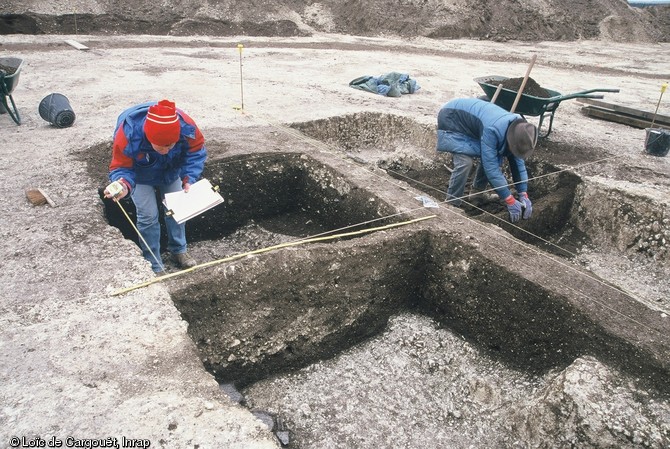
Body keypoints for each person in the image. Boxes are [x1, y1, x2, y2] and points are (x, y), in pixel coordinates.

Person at [104, 99, 207, 273]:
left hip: (170, 170)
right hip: (140, 175)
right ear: (149, 138)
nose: (166, 150)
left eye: (171, 145)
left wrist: (189, 177)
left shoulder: (187, 127)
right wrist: (123, 184)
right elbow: (121, 166)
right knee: (148, 216)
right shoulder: (129, 133)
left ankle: (179, 250)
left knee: (176, 210)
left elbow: (195, 152)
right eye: (161, 147)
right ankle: (153, 262)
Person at [436, 97, 538, 223]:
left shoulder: (520, 131)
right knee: (465, 163)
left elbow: (518, 163)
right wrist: (509, 199)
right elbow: (491, 167)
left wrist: (523, 193)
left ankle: (477, 194)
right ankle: (451, 204)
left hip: (473, 124)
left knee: (490, 156)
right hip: (453, 117)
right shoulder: (493, 129)